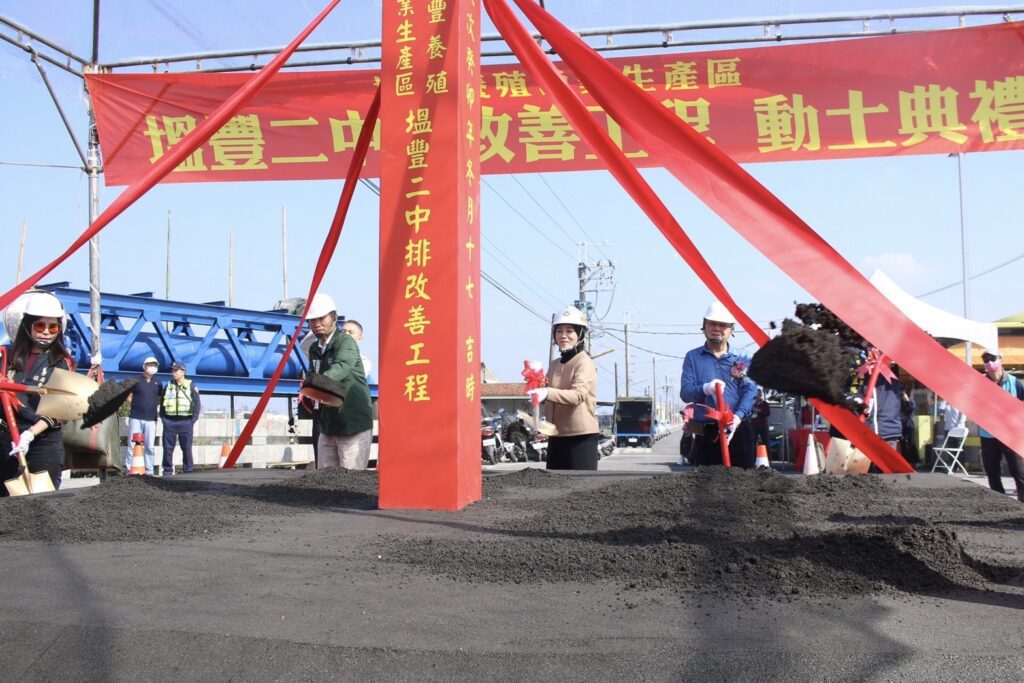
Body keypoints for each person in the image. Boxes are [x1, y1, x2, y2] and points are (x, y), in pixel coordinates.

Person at [0, 291, 74, 494]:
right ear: (27, 326)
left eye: (53, 327)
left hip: (43, 439)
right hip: (8, 437)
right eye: (40, 325)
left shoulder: (62, 362)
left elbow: (59, 409)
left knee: (43, 502)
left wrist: (30, 435)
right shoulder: (7, 358)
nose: (47, 332)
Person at [680, 301, 757, 468]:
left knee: (743, 484)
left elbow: (750, 391)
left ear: (731, 329)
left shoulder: (743, 358)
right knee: (707, 486)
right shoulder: (693, 357)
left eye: (723, 325)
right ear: (704, 325)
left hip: (738, 428)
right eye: (712, 323)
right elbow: (685, 393)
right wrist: (705, 389)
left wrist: (738, 417)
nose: (717, 328)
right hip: (706, 431)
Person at [527, 306, 600, 470]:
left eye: (569, 331)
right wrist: (536, 387)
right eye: (559, 331)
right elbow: (549, 398)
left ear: (580, 335)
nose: (563, 336)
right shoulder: (554, 364)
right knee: (556, 489)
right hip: (556, 434)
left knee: (580, 490)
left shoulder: (584, 362)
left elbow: (577, 395)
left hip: (580, 437)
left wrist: (547, 392)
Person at [306, 293, 374, 470]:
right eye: (312, 320)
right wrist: (308, 384)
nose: (317, 323)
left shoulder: (346, 343)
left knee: (351, 481)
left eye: (322, 318)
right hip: (328, 425)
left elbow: (341, 367)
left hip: (353, 423)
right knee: (324, 480)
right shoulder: (314, 348)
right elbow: (312, 372)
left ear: (334, 317)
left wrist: (314, 383)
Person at [977, 351, 1024, 502]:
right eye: (986, 359)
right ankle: (1000, 503)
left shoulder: (1014, 382)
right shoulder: (980, 384)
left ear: (1001, 360)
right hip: (988, 435)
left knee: (1018, 472)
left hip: (1010, 435)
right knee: (992, 472)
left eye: (993, 358)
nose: (989, 362)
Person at [160, 360, 201, 475]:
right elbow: (162, 403)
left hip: (185, 422)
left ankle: (188, 471)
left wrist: (192, 420)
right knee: (167, 449)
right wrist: (164, 419)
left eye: (176, 370)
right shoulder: (168, 386)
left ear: (183, 371)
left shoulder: (190, 386)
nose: (173, 372)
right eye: (172, 370)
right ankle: (167, 471)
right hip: (170, 422)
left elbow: (197, 404)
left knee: (186, 449)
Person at [124, 356, 162, 475]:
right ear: (144, 366)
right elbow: (128, 396)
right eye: (150, 365)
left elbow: (159, 398)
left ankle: (149, 471)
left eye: (155, 365)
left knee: (149, 446)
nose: (153, 367)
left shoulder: (158, 382)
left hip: (151, 419)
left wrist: (151, 406)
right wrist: (135, 405)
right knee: (132, 445)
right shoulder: (135, 380)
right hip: (135, 417)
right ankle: (129, 469)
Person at [899, 389, 918, 466]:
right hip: (901, 425)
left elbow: (911, 408)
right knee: (902, 443)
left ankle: (913, 462)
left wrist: (906, 399)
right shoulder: (900, 402)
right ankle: (904, 461)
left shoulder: (911, 401)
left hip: (909, 425)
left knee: (910, 443)